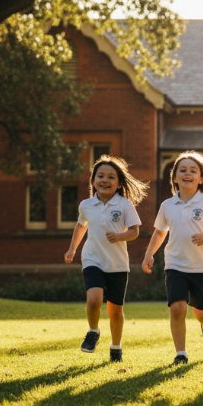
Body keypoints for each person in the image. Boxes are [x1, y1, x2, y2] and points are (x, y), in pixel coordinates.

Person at [142, 151, 203, 366]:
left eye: (193, 171)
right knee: (177, 307)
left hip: (202, 268)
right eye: (182, 170)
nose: (187, 173)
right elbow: (160, 232)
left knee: (202, 313)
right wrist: (149, 253)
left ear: (201, 178)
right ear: (174, 177)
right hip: (175, 265)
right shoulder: (167, 206)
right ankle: (181, 353)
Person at [64, 155, 148, 362]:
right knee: (94, 299)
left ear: (119, 184)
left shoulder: (124, 205)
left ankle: (116, 347)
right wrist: (72, 249)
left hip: (117, 264)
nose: (105, 180)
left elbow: (135, 231)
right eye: (100, 176)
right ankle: (93, 331)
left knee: (115, 310)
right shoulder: (86, 205)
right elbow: (81, 226)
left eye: (111, 177)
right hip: (92, 258)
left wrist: (120, 236)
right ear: (92, 181)